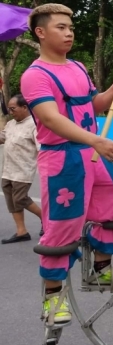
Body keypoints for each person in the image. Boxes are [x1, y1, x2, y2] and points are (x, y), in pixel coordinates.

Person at [21, 3, 113, 325]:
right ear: (41, 32)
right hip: (63, 159)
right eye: (60, 27)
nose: (69, 32)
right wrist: (95, 140)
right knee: (62, 227)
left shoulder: (77, 67)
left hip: (91, 152)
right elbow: (50, 118)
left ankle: (100, 272)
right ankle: (52, 300)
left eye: (71, 27)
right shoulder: (34, 75)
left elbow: (94, 104)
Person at [0, 95, 43, 243]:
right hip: (8, 170)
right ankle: (21, 231)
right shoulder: (11, 124)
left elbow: (40, 149)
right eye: (10, 109)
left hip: (23, 170)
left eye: (13, 109)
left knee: (20, 199)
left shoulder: (34, 125)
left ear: (25, 107)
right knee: (11, 201)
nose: (11, 112)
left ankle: (44, 217)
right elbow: (3, 138)